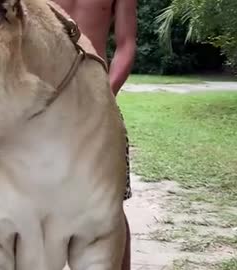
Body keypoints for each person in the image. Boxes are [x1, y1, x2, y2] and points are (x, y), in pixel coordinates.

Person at [52, 0, 137, 269]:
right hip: (43, 109)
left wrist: (105, 95)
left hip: (99, 105)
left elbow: (126, 43)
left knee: (109, 207)